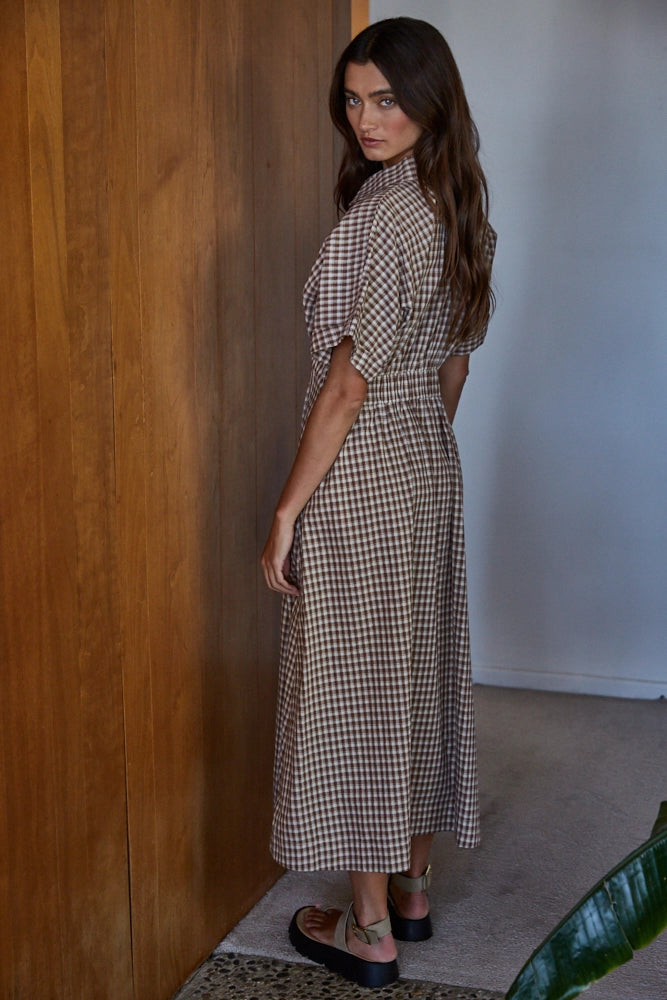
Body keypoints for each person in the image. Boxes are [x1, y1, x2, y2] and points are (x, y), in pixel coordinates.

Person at [261, 16, 496, 989]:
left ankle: (364, 929)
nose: (365, 118)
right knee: (416, 667)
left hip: (362, 472)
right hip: (427, 464)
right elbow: (449, 369)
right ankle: (412, 888)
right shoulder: (457, 206)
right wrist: (418, 448)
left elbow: (347, 387)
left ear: (428, 100)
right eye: (354, 100)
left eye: (386, 99)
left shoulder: (377, 217)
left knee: (356, 688)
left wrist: (286, 510)